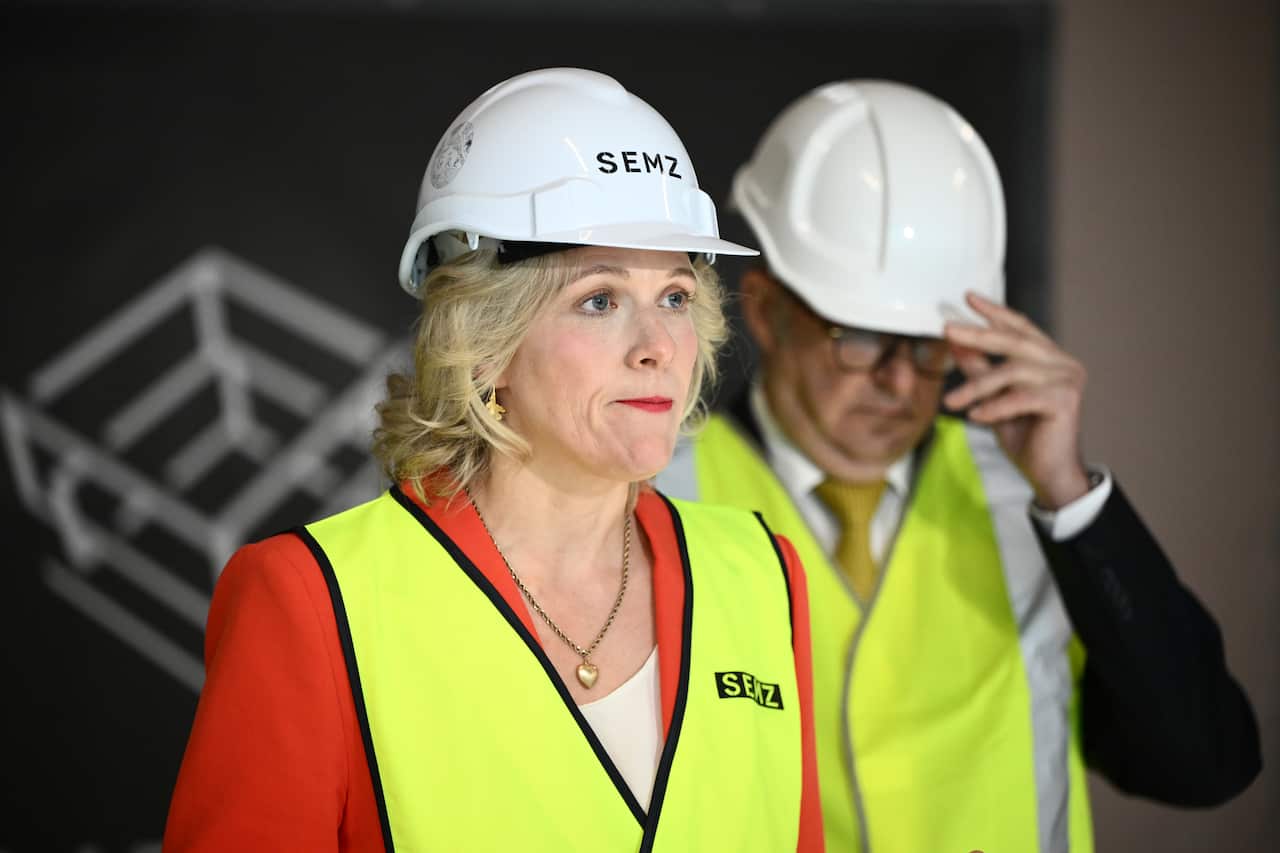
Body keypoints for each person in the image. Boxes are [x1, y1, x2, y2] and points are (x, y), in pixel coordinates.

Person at [164, 68, 824, 852]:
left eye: (675, 297)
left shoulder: (764, 576)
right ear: (483, 347)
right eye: (601, 300)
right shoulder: (311, 599)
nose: (658, 348)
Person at [655, 80, 1261, 853]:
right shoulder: (662, 495)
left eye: (930, 343)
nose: (904, 381)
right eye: (865, 337)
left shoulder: (1029, 502)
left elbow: (1205, 764)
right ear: (769, 311)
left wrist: (1073, 499)